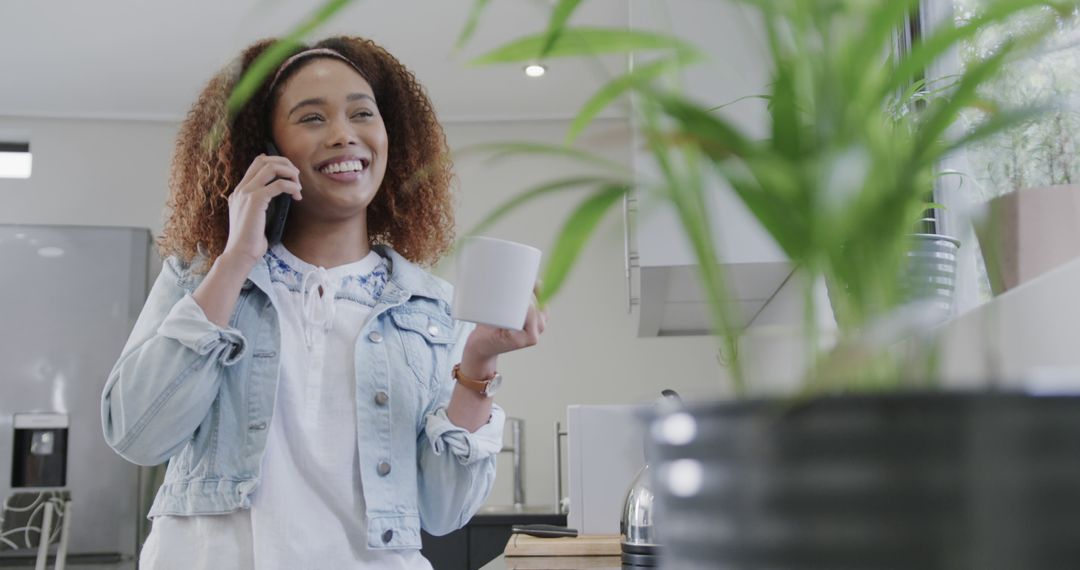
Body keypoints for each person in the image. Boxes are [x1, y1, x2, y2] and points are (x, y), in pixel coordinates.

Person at [100, 35, 546, 570]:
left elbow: (445, 510)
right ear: (265, 150)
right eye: (312, 118)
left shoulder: (433, 308)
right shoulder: (201, 277)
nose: (343, 135)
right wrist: (237, 257)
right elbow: (136, 435)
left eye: (362, 114)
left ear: (389, 139)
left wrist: (477, 363)